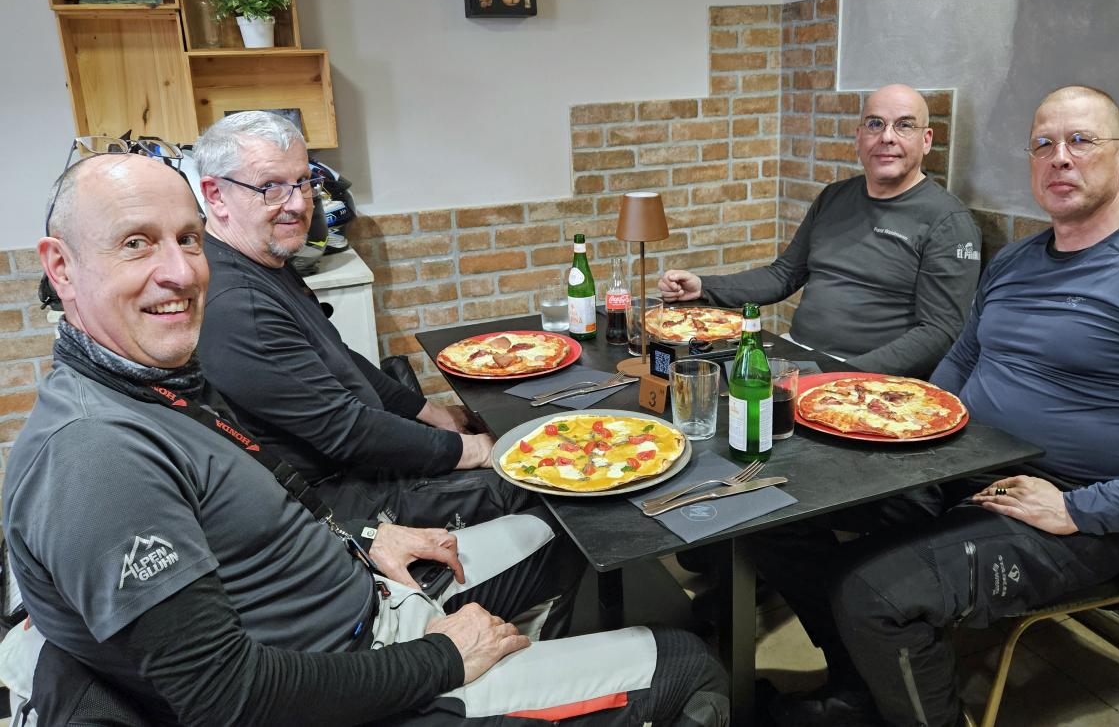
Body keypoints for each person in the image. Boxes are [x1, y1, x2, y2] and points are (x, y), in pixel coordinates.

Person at [1, 151, 728, 726]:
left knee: (563, 533)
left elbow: (261, 505)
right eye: (136, 244)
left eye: (187, 240)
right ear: (60, 267)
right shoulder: (94, 456)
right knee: (689, 665)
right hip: (353, 676)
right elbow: (227, 698)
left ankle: (525, 680)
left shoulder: (152, 384)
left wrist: (364, 539)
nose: (180, 272)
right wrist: (444, 660)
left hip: (367, 597)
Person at [757, 86, 1119, 727]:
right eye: (1043, 144)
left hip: (1076, 510)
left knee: (871, 593)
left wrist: (1077, 509)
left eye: (1081, 140)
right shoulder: (1016, 261)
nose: (1060, 157)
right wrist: (910, 432)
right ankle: (863, 690)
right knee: (774, 513)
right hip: (958, 466)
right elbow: (958, 366)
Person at [192, 111, 523, 533]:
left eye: (303, 182)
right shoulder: (238, 305)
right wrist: (474, 450)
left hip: (360, 459)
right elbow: (346, 431)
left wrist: (436, 414)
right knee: (532, 488)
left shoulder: (264, 257)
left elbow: (339, 358)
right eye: (270, 187)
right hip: (344, 496)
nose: (299, 204)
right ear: (216, 195)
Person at [659, 84, 981, 378]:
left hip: (867, 379)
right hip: (797, 355)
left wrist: (843, 375)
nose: (887, 137)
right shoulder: (834, 197)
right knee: (689, 380)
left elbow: (940, 332)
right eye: (875, 124)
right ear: (859, 137)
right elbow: (783, 275)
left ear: (927, 140)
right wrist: (704, 287)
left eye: (905, 125)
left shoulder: (948, 221)